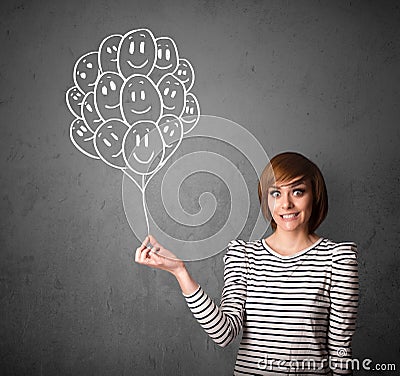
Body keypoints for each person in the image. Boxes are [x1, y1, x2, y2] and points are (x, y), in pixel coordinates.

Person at [135, 151, 359, 375]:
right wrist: (180, 272)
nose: (286, 204)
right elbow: (224, 333)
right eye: (276, 193)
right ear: (266, 198)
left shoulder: (337, 259)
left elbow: (340, 350)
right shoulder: (243, 256)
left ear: (315, 195)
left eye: (298, 191)